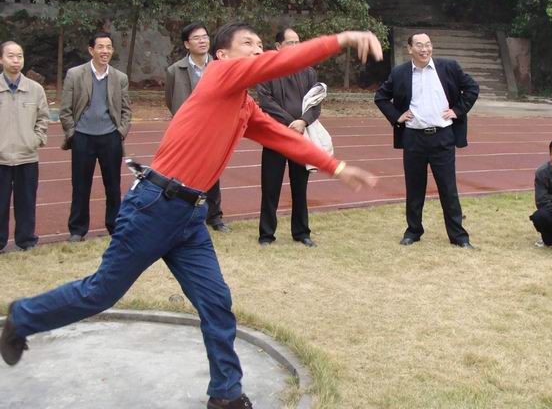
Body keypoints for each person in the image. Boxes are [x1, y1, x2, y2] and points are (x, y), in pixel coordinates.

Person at [1, 23, 381, 409]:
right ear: (221, 55)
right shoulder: (219, 75)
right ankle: (24, 316)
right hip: (154, 207)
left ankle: (226, 394)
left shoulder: (244, 106)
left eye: (260, 44)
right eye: (248, 43)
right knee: (101, 292)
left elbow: (283, 137)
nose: (257, 49)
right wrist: (342, 40)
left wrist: (335, 166)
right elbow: (279, 62)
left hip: (190, 216)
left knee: (216, 302)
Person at [374, 32, 479, 249]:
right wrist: (397, 116)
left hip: (443, 137)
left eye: (428, 44)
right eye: (419, 45)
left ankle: (459, 236)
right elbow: (381, 97)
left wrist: (457, 110)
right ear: (409, 49)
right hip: (414, 138)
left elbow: (472, 88)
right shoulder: (400, 73)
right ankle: (413, 231)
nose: (425, 49)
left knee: (448, 189)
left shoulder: (448, 67)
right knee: (414, 188)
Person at [59, 32, 132, 242]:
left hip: (110, 138)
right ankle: (77, 229)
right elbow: (65, 110)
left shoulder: (119, 78)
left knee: (113, 186)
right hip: (83, 137)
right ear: (91, 50)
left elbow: (126, 110)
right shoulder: (75, 74)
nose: (105, 51)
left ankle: (115, 226)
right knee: (80, 186)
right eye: (100, 47)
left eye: (108, 47)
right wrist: (73, 133)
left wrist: (120, 131)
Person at [256, 28, 320, 247]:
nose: (295, 46)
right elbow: (266, 102)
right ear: (278, 47)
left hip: (301, 136)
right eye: (290, 43)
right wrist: (291, 122)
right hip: (275, 137)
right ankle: (266, 234)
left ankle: (301, 232)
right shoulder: (267, 71)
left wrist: (303, 121)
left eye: (297, 42)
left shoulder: (309, 72)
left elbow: (315, 103)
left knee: (300, 187)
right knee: (270, 186)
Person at [165, 22, 230, 233]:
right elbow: (170, 100)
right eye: (196, 38)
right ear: (187, 44)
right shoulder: (175, 70)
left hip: (214, 129)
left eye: (205, 37)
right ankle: (185, 216)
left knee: (213, 174)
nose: (202, 41)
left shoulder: (221, 66)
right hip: (188, 131)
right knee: (186, 174)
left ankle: (215, 217)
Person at [0, 41, 49, 253]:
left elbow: (43, 118)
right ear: (1, 59)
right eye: (10, 56)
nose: (16, 60)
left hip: (27, 156)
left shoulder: (35, 89)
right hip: (1, 158)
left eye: (19, 56)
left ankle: (26, 240)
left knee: (26, 202)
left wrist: (35, 139)